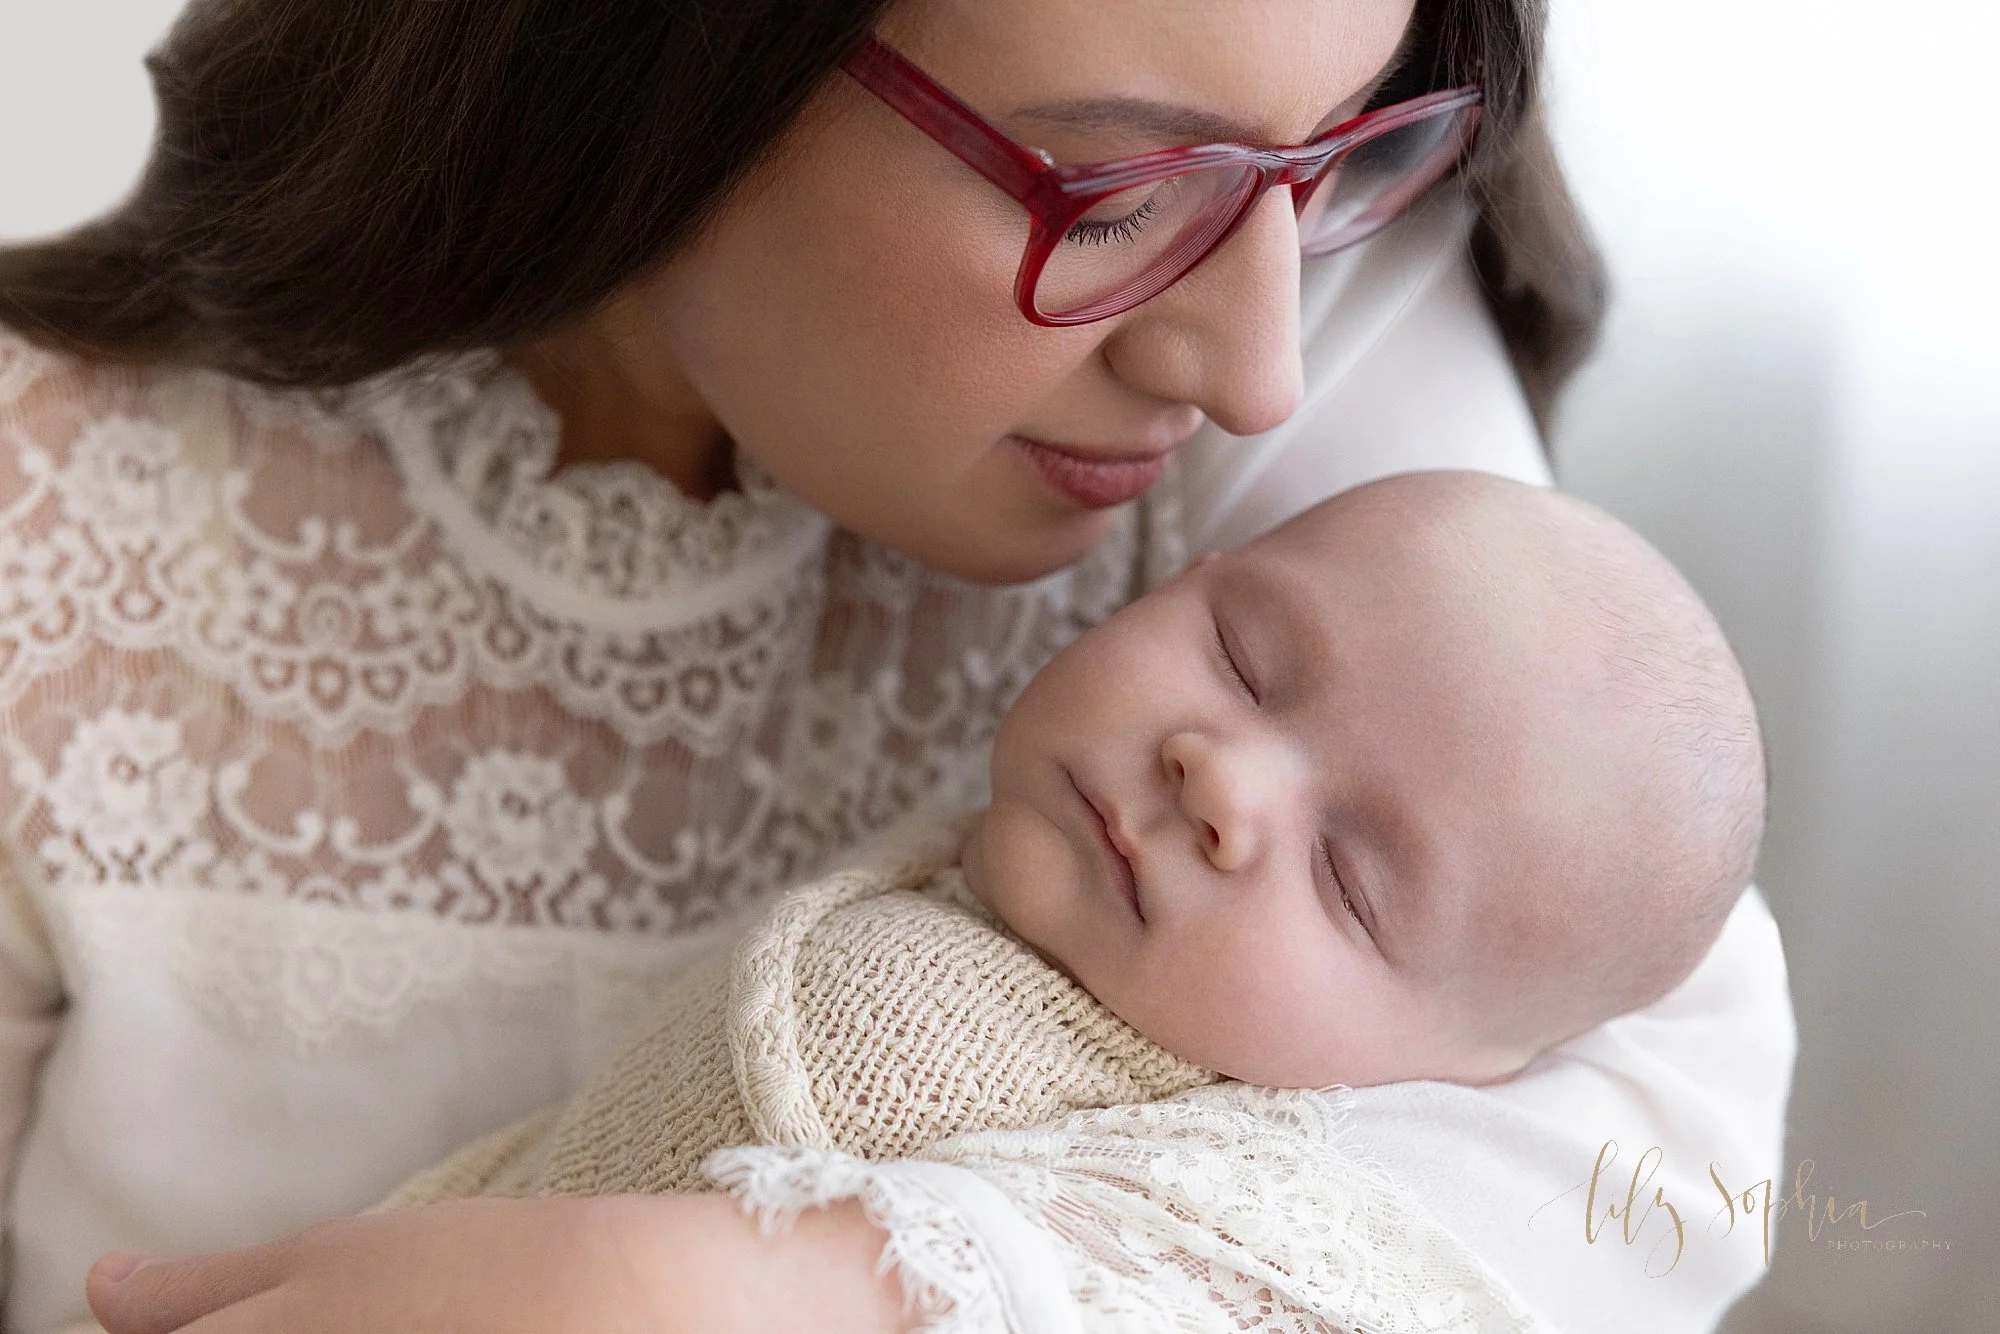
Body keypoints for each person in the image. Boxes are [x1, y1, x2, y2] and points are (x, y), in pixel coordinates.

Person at [0, 0, 1795, 1330]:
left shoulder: (1316, 286)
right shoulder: (54, 515)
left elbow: (1651, 1093)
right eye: (1109, 195)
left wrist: (734, 1294)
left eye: (1336, 155)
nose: (1260, 372)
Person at [375, 472, 1762, 1260]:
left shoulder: (1190, 1209)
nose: (1219, 774)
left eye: (1348, 879)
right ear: (1181, 573)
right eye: (1242, 656)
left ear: (1454, 1077)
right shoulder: (948, 858)